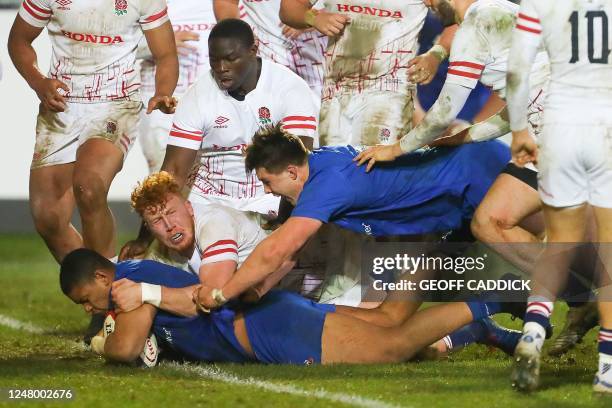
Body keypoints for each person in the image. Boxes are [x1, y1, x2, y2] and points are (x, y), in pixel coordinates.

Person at [193, 124, 511, 310]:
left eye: (267, 182)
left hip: (476, 173)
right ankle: (511, 305)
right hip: (457, 192)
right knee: (426, 284)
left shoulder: (326, 186)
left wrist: (223, 293)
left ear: (290, 171)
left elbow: (278, 249)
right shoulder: (311, 170)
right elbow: (290, 253)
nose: (269, 191)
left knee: (532, 242)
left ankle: (545, 294)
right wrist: (258, 292)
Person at [61, 248, 521, 365]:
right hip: (271, 318)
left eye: (87, 300)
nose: (90, 309)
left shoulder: (129, 286)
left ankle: (496, 297)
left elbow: (124, 350)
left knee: (391, 346)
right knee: (390, 322)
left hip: (269, 331)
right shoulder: (134, 275)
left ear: (103, 278)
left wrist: (105, 340)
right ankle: (475, 327)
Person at [119, 18, 320, 259]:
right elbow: (172, 170)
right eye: (214, 59)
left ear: (253, 51)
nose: (221, 67)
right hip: (207, 200)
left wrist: (284, 229)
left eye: (230, 59)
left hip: (267, 200)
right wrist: (143, 239)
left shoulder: (289, 89)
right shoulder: (199, 95)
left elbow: (296, 166)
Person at [7, 0, 179, 263]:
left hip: (117, 103)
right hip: (62, 105)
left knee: (89, 185)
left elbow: (166, 54)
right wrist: (39, 82)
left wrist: (163, 92)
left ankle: (107, 288)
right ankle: (95, 287)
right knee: (47, 218)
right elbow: (19, 40)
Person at [506, 0, 612, 393]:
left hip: (561, 125)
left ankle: (533, 331)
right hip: (607, 122)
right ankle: (607, 367)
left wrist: (519, 130)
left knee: (558, 243)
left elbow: (517, 69)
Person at [280, 0, 456, 147]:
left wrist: (436, 54)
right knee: (336, 170)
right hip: (335, 92)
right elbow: (289, 8)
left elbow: (460, 17)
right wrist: (314, 17)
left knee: (372, 167)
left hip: (389, 91)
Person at [138, 0, 216, 173]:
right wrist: (160, 43)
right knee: (164, 178)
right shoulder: (146, 3)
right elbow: (116, 46)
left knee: (210, 180)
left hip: (213, 103)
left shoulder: (225, 4)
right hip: (162, 106)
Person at [213, 0, 327, 97]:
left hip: (318, 68)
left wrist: (306, 18)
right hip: (268, 66)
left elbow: (340, 8)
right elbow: (227, 3)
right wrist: (238, 33)